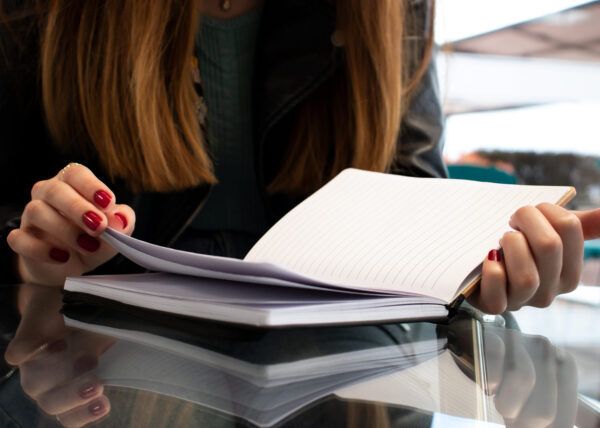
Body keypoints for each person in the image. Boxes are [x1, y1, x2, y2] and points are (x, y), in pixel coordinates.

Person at [0, 0, 599, 423]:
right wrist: (41, 251)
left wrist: (478, 265)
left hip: (344, 368)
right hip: (106, 351)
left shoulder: (389, 8)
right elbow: (15, 204)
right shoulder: (46, 13)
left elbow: (412, 188)